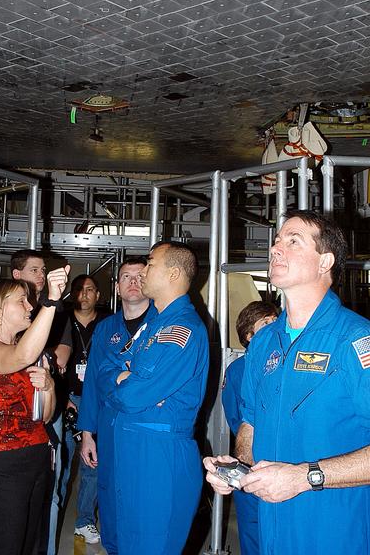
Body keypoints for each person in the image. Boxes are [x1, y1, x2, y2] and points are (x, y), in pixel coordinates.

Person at [205, 210, 370, 555]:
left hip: (335, 532)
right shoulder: (264, 343)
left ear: (325, 261)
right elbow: (250, 421)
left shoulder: (356, 340)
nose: (276, 248)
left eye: (293, 241)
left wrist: (302, 477)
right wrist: (239, 469)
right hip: (272, 528)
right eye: (277, 240)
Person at [96, 242, 209, 555]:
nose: (143, 271)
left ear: (172, 274)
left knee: (151, 545)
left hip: (158, 454)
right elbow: (107, 371)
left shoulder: (182, 328)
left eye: (150, 263)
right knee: (122, 542)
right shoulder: (152, 325)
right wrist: (124, 379)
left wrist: (127, 381)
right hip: (132, 448)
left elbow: (133, 396)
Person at [0, 266, 68, 555]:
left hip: (35, 456)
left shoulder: (33, 353)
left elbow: (45, 417)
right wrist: (51, 300)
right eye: (21, 301)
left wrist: (48, 387)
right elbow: (19, 355)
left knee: (30, 546)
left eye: (31, 300)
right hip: (0, 463)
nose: (30, 306)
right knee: (3, 546)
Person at [78, 256, 157, 554]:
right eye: (126, 276)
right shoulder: (105, 328)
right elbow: (92, 385)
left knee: (141, 496)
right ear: (117, 286)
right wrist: (87, 433)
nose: (133, 282)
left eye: (139, 276)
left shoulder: (163, 325)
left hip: (146, 426)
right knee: (109, 492)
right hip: (109, 427)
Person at [11, 249, 69, 555]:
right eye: (35, 270)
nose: (42, 275)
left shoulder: (57, 311)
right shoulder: (2, 307)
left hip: (45, 400)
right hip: (6, 421)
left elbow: (58, 357)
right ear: (17, 274)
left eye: (43, 269)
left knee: (48, 488)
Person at [221, 301, 278, 555]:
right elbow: (237, 418)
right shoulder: (238, 370)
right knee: (253, 534)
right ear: (249, 335)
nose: (275, 326)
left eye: (276, 320)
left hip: (285, 466)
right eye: (266, 323)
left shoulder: (286, 365)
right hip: (251, 464)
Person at [57, 274, 108, 545]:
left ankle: (84, 521)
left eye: (90, 290)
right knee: (61, 463)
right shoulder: (59, 320)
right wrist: (61, 397)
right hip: (66, 400)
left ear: (98, 295)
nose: (84, 295)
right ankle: (55, 514)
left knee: (92, 465)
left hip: (96, 402)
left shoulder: (109, 323)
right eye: (79, 289)